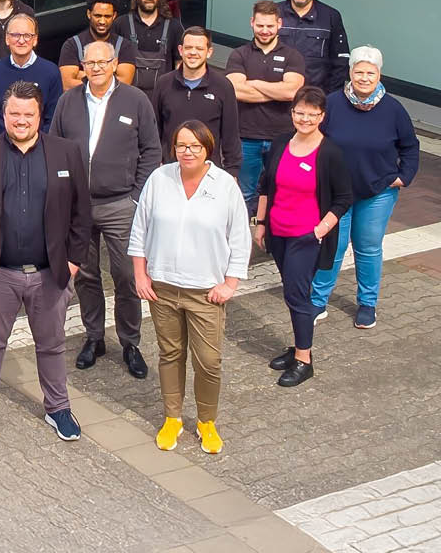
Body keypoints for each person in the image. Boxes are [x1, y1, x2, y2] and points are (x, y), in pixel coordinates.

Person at [0, 81, 91, 442]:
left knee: (52, 344)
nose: (21, 120)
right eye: (14, 113)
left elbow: (81, 213)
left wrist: (74, 261)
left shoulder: (66, 153)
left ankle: (58, 408)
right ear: (4, 114)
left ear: (40, 115)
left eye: (28, 114)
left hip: (50, 273)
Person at [129, 121, 249, 454]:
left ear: (207, 148)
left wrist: (230, 284)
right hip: (162, 288)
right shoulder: (159, 179)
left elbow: (239, 238)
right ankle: (173, 417)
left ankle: (206, 421)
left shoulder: (224, 186)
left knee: (208, 361)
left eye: (195, 146)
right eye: (181, 145)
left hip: (205, 292)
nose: (187, 152)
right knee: (170, 354)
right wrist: (140, 275)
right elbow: (140, 230)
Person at [50, 40, 161, 379]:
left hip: (120, 203)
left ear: (114, 64)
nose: (96, 68)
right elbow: (54, 147)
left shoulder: (135, 100)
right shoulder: (68, 101)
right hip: (78, 206)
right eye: (90, 62)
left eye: (102, 62)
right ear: (82, 67)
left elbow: (151, 150)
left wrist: (136, 197)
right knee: (85, 275)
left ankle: (130, 342)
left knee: (126, 274)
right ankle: (94, 336)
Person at [310, 47, 420, 329]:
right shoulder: (333, 103)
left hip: (377, 192)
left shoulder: (393, 109)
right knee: (333, 246)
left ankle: (367, 304)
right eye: (358, 71)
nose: (364, 77)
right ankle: (317, 301)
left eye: (370, 72)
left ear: (379, 75)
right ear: (350, 73)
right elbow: (313, 139)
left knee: (368, 248)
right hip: (337, 193)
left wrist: (404, 177)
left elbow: (410, 146)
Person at [252, 87, 352, 388]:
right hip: (278, 232)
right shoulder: (281, 143)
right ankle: (297, 346)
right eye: (300, 112)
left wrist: (319, 231)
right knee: (293, 292)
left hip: (305, 238)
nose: (305, 119)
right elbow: (266, 184)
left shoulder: (330, 152)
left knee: (296, 295)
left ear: (322, 116)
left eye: (312, 114)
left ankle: (304, 360)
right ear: (292, 112)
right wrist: (261, 223)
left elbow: (344, 198)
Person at [224, 1, 306, 215]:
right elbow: (235, 90)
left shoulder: (293, 56)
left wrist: (254, 83)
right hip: (245, 138)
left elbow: (291, 92)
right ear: (252, 23)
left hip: (282, 138)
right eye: (260, 25)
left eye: (270, 26)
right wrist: (276, 90)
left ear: (279, 24)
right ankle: (243, 235)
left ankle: (270, 235)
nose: (265, 30)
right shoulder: (239, 54)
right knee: (243, 195)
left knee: (280, 193)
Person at [152, 27, 242, 178]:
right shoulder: (164, 83)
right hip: (170, 171)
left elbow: (231, 135)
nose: (193, 52)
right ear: (180, 50)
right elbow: (155, 130)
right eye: (188, 48)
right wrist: (156, 163)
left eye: (199, 48)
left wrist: (232, 172)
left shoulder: (223, 86)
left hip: (209, 173)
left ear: (209, 52)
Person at [0, 14, 61, 137]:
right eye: (15, 35)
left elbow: (53, 119)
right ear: (7, 39)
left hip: (40, 144)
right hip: (0, 144)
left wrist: (37, 145)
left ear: (35, 39)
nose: (21, 41)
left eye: (27, 35)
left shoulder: (51, 72)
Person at [277, 0, 350, 93]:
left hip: (315, 97)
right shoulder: (274, 13)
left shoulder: (330, 16)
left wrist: (328, 97)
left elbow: (341, 62)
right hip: (277, 94)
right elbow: (259, 54)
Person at [113, 0, 183, 99]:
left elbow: (180, 64)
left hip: (162, 98)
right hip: (128, 97)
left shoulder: (174, 27)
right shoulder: (121, 24)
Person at [57, 0, 137, 91]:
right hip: (81, 101)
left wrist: (84, 74)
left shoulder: (124, 46)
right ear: (89, 14)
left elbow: (124, 85)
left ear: (114, 15)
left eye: (107, 16)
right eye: (98, 16)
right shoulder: (72, 45)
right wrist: (110, 75)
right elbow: (68, 85)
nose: (102, 21)